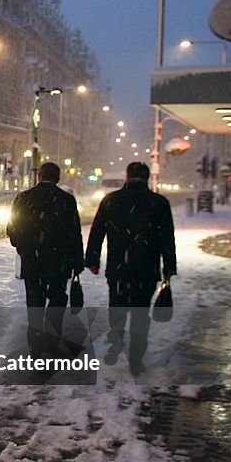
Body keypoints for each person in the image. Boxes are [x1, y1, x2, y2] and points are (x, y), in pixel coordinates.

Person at [85, 161, 177, 376]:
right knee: (140, 313)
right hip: (146, 268)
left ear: (127, 177)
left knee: (117, 305)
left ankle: (116, 337)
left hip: (118, 267)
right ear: (147, 178)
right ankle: (136, 359)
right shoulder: (158, 203)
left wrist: (92, 260)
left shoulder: (111, 200)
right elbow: (167, 238)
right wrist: (169, 267)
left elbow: (97, 232)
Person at [7, 162, 85, 357]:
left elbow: (12, 229)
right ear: (58, 179)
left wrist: (24, 247)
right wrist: (76, 260)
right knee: (57, 300)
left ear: (38, 176)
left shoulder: (24, 198)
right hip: (59, 261)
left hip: (33, 260)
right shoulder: (66, 200)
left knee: (35, 303)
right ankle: (51, 341)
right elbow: (74, 233)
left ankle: (35, 345)